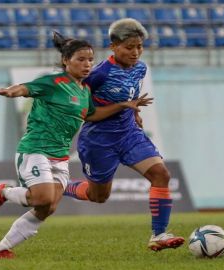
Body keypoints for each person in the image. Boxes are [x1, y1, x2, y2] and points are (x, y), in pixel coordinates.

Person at [0, 31, 153, 260]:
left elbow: (92, 114)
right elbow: (26, 88)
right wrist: (11, 91)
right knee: (42, 198)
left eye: (90, 59)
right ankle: (3, 193)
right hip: (36, 149)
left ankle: (0, 250)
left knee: (47, 208)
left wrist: (124, 105)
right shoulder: (54, 82)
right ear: (65, 61)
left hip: (60, 157)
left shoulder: (83, 91)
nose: (87, 64)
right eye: (81, 59)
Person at [63, 18, 185, 252]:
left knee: (161, 174)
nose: (136, 52)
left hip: (129, 134)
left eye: (139, 47)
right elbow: (87, 115)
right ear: (113, 47)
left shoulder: (140, 68)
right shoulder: (97, 75)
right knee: (98, 196)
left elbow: (130, 96)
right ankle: (58, 186)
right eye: (129, 47)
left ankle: (159, 234)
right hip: (99, 140)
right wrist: (123, 105)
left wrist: (134, 113)